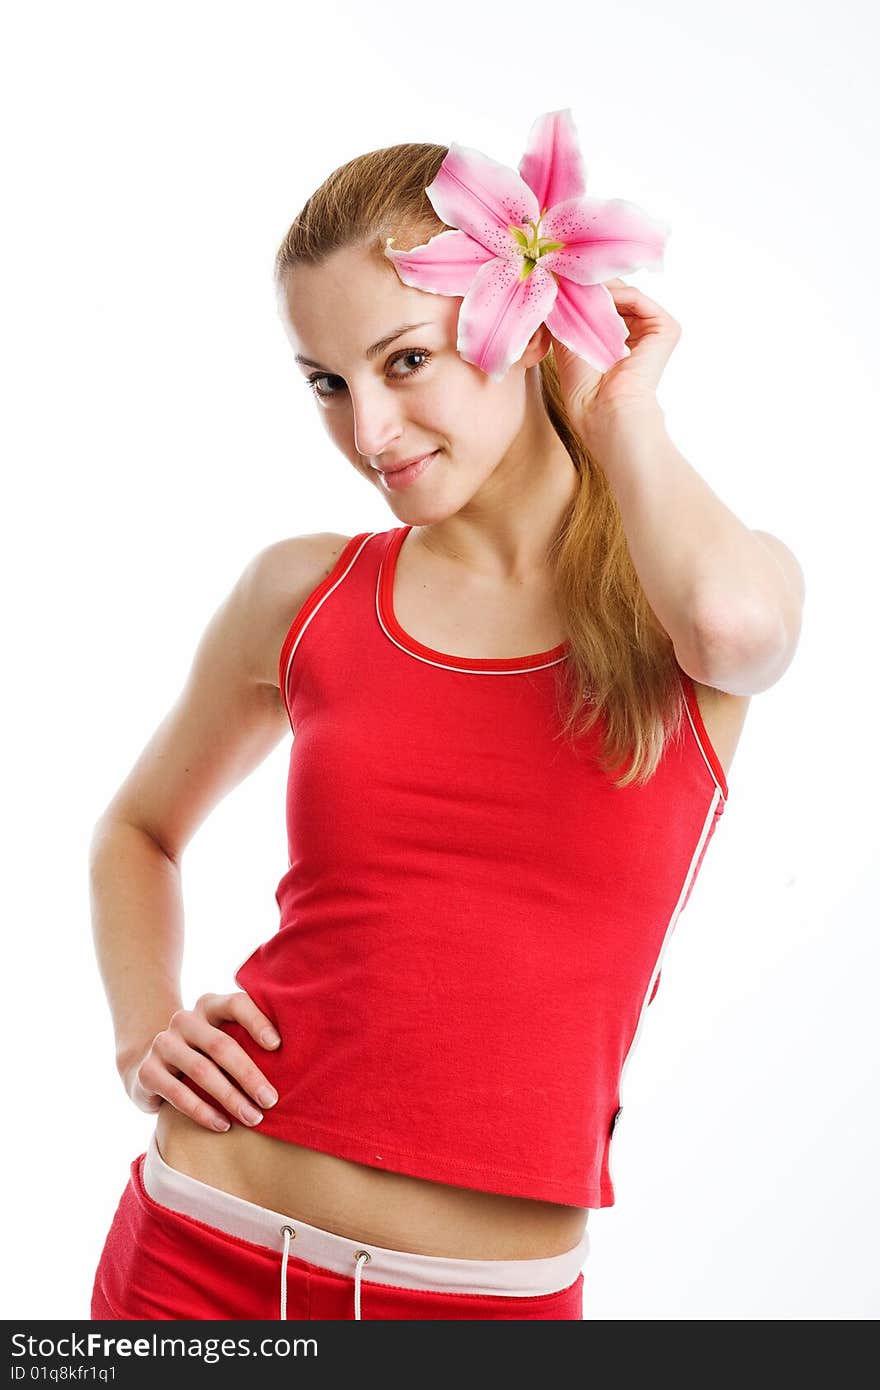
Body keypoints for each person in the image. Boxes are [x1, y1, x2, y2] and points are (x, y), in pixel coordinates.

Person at [88, 116, 804, 1321]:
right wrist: (143, 1028)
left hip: (477, 1305)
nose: (366, 433)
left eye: (403, 360)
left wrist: (622, 409)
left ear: (518, 324)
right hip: (196, 1256)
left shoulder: (696, 592)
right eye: (328, 383)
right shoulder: (304, 592)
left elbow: (737, 632)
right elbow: (138, 832)